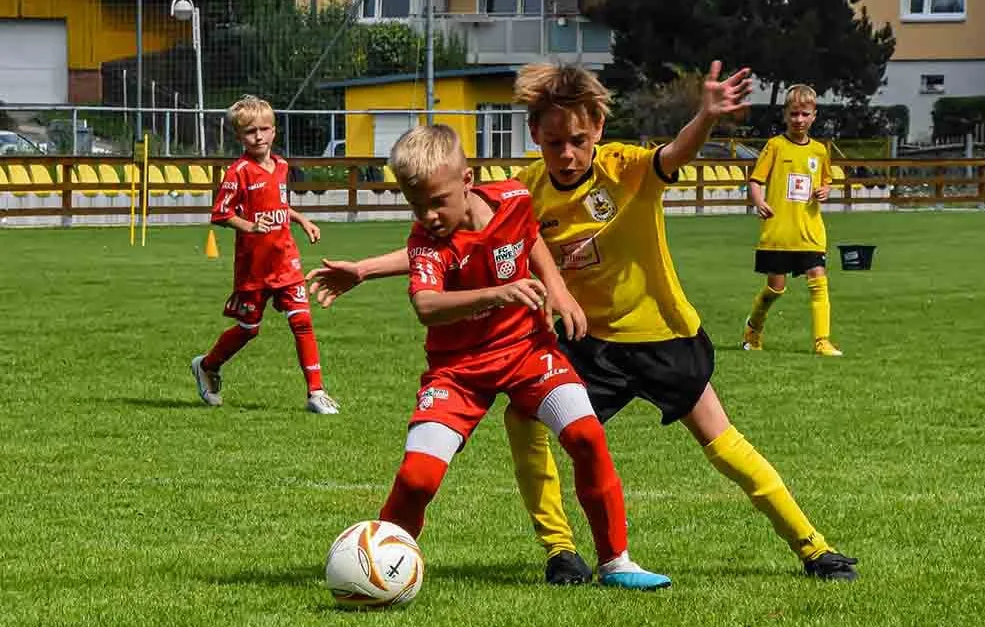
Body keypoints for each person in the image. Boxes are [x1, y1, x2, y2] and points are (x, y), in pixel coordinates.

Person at [308, 63, 858, 583]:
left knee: (724, 442)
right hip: (590, 346)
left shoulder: (626, 168)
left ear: (597, 128)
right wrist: (365, 269)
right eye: (553, 143)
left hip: (663, 335)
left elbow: (676, 154)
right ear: (534, 136)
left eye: (578, 140)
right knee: (525, 423)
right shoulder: (527, 191)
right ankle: (561, 551)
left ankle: (812, 545)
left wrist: (707, 116)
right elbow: (449, 241)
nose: (567, 154)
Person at [375, 124, 670, 590]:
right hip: (458, 373)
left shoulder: (512, 197)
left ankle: (616, 562)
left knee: (587, 435)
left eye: (437, 201)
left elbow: (530, 238)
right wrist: (500, 293)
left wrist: (557, 289)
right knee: (416, 478)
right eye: (416, 205)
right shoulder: (427, 243)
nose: (428, 215)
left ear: (467, 180)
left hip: (527, 352)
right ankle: (377, 565)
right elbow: (426, 306)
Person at [191, 95, 339, 415]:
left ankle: (316, 392)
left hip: (285, 258)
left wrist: (302, 220)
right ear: (239, 136)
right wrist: (250, 226)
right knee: (249, 329)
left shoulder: (282, 166)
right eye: (250, 131)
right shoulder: (238, 172)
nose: (258, 136)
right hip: (254, 266)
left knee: (302, 320)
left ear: (274, 131)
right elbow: (220, 214)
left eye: (264, 129)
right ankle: (207, 365)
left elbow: (280, 204)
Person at [744, 84, 842, 357]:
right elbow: (755, 180)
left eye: (804, 114)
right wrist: (759, 201)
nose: (799, 120)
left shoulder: (820, 151)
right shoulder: (775, 146)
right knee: (776, 289)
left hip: (810, 232)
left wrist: (825, 190)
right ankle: (753, 329)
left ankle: (822, 341)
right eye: (794, 114)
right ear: (786, 115)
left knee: (818, 280)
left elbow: (826, 180)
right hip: (779, 233)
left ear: (814, 116)